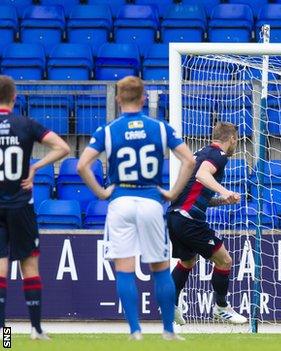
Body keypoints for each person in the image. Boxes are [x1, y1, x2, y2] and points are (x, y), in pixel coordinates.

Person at [77, 76, 195, 340]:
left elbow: (82, 165)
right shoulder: (160, 128)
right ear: (143, 98)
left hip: (121, 200)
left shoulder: (108, 130)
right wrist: (173, 192)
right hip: (151, 200)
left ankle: (135, 331)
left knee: (125, 267)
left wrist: (101, 192)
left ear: (118, 99)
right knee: (160, 268)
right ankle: (167, 331)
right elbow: (188, 160)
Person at [0, 75, 70, 340]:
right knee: (29, 264)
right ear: (14, 97)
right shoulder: (26, 124)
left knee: (0, 269)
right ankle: (36, 330)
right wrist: (36, 167)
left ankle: (2, 335)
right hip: (21, 203)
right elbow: (62, 147)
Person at [168, 121, 247, 326]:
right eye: (236, 140)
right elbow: (203, 176)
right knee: (225, 261)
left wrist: (222, 200)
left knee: (187, 262)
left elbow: (196, 192)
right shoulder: (218, 156)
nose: (235, 144)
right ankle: (221, 308)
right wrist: (225, 191)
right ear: (231, 139)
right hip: (189, 220)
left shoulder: (200, 153)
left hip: (176, 216)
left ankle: (170, 303)